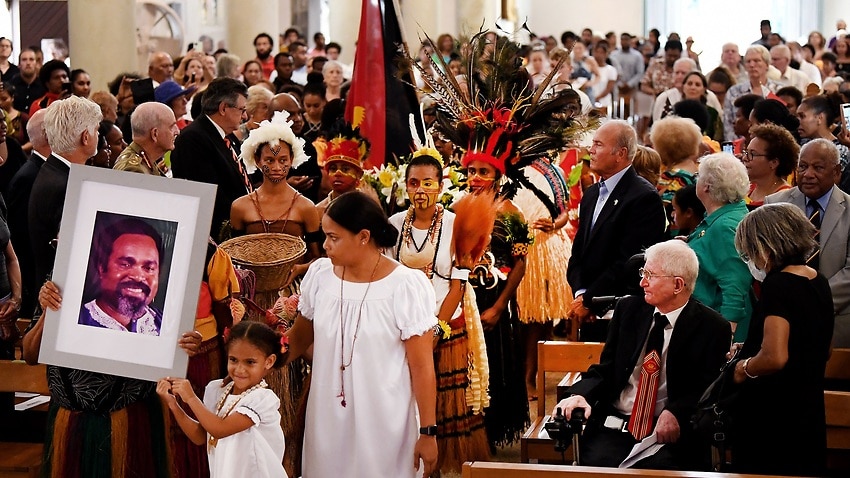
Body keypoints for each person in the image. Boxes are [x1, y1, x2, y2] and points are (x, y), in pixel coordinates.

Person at [285, 190, 438, 478]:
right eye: (325, 236)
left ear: (364, 237)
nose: (325, 245)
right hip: (327, 419)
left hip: (384, 421)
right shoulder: (320, 276)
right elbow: (298, 339)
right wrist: (256, 355)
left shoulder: (404, 286)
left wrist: (428, 432)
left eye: (333, 237)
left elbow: (422, 367)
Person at [554, 240, 731, 470]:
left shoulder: (713, 327)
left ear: (678, 285)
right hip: (616, 424)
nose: (642, 282)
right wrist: (580, 394)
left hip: (668, 432)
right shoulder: (628, 310)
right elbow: (606, 370)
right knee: (598, 467)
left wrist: (676, 412)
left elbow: (707, 389)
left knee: (662, 469)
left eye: (650, 275)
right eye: (642, 273)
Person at [388, 150, 490, 473]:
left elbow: (458, 285)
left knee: (446, 408)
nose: (421, 190)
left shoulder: (457, 225)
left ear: (441, 186)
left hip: (445, 324)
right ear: (405, 186)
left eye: (428, 183)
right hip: (403, 328)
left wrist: (436, 329)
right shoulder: (394, 225)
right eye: (414, 183)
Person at [731, 203, 833, 476]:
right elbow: (822, 346)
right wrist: (751, 346)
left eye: (750, 251)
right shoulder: (819, 280)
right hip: (809, 409)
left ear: (766, 247)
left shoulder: (778, 285)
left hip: (773, 414)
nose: (751, 259)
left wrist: (743, 368)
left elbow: (775, 357)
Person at [567, 120, 666, 340]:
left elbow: (630, 261)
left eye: (598, 144)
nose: (591, 150)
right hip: (588, 311)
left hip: (622, 314)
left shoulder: (643, 197)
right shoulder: (591, 194)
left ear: (620, 153)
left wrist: (590, 300)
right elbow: (578, 253)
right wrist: (581, 294)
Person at [158, 320, 287, 478]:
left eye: (250, 362)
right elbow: (201, 436)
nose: (239, 369)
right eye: (233, 360)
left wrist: (190, 397)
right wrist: (173, 404)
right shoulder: (217, 390)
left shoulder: (262, 400)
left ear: (269, 361)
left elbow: (219, 430)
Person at [766, 139, 850, 347]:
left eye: (818, 167)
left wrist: (811, 301)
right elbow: (765, 261)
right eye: (802, 166)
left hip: (836, 322)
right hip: (783, 320)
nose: (808, 174)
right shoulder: (774, 205)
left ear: (836, 172)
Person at [171, 78, 251, 240]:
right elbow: (208, 194)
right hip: (216, 235)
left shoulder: (227, 135)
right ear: (223, 108)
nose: (245, 116)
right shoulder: (192, 139)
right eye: (241, 109)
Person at [688, 153, 753, 342]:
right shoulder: (728, 216)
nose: (697, 180)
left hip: (716, 329)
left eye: (698, 176)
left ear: (707, 186)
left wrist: (726, 336)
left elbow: (735, 284)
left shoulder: (725, 227)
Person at [78, 217, 164, 335]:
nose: (138, 277)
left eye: (148, 268)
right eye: (125, 264)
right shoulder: (73, 319)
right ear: (102, 268)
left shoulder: (169, 325)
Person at [7, 109, 48, 321]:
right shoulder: (29, 176)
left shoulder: (41, 171)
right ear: (48, 133)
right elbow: (22, 237)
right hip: (31, 280)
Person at [722, 45, 780, 141]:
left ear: (767, 64)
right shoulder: (733, 91)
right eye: (748, 61)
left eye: (757, 61)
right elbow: (728, 125)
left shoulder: (778, 90)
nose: (752, 65)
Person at [796, 93, 850, 192]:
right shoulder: (803, 145)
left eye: (802, 116)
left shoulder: (840, 150)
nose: (797, 121)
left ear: (819, 118)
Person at [113, 102, 178, 176]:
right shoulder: (134, 170)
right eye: (171, 127)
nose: (177, 132)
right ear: (154, 134)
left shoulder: (146, 160)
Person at [742, 123, 796, 208]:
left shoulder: (785, 199)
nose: (745, 158)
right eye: (746, 152)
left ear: (774, 162)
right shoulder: (745, 188)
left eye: (753, 154)